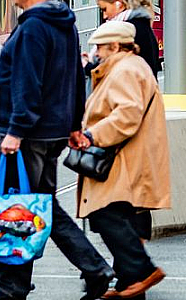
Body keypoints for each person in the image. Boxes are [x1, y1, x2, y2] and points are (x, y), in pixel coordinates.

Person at [0, 0, 113, 300]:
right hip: (51, 130)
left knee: (24, 206)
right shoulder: (64, 23)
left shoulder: (32, 28)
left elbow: (27, 82)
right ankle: (91, 270)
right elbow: (73, 77)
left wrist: (15, 130)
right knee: (39, 204)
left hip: (30, 133)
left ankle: (13, 286)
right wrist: (72, 125)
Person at [69, 20, 170, 298]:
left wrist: (91, 135)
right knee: (120, 216)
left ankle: (141, 269)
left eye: (101, 47)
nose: (97, 52)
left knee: (104, 213)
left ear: (116, 46)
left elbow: (126, 114)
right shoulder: (128, 66)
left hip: (126, 161)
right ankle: (129, 283)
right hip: (129, 158)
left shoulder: (125, 69)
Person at [95, 0, 160, 77]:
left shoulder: (127, 32)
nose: (105, 16)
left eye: (105, 9)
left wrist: (89, 66)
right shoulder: (142, 26)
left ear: (118, 3)